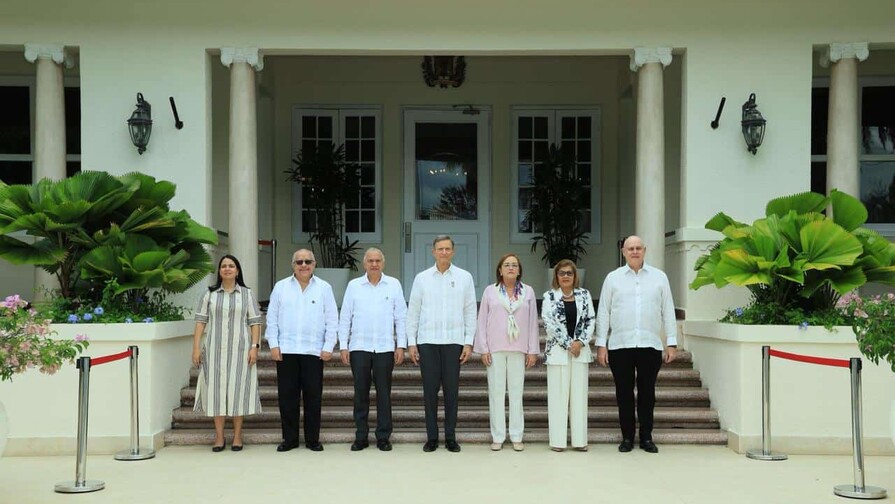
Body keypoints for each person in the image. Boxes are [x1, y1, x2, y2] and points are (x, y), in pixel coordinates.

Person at [596, 235, 677, 454]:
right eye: (630, 248)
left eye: (638, 248)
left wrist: (671, 342)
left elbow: (668, 310)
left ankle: (646, 438)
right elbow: (603, 311)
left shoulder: (659, 278)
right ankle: (627, 438)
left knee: (647, 394)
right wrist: (601, 344)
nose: (634, 251)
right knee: (623, 394)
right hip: (620, 345)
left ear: (645, 250)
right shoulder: (613, 278)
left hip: (650, 345)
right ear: (623, 251)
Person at [406, 235, 476, 453]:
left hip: (454, 342)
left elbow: (470, 311)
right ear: (433, 252)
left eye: (447, 249)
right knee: (429, 392)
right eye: (440, 249)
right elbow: (413, 311)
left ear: (453, 252)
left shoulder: (464, 277)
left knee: (451, 392)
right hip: (428, 341)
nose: (444, 252)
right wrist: (411, 342)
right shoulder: (422, 278)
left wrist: (468, 342)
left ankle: (450, 437)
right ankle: (432, 437)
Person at [265, 249, 338, 452]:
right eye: (299, 262)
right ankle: (290, 439)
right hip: (286, 350)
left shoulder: (324, 288)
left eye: (307, 261)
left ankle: (313, 440)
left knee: (313, 397)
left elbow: (332, 319)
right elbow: (271, 318)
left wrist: (328, 346)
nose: (303, 265)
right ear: (293, 265)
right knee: (287, 397)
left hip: (313, 352)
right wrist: (273, 344)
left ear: (314, 264)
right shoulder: (280, 287)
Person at [192, 254, 263, 452]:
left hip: (241, 351)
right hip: (214, 350)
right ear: (219, 271)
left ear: (237, 271)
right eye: (224, 266)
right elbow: (200, 321)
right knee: (216, 392)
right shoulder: (210, 295)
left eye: (231, 266)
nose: (227, 269)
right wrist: (196, 347)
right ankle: (220, 436)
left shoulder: (246, 294)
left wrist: (254, 347)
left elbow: (255, 322)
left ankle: (238, 436)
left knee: (238, 392)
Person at [338, 248, 407, 452]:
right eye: (370, 260)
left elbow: (400, 317)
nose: (374, 264)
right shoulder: (354, 286)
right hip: (359, 347)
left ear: (383, 263)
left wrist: (400, 345)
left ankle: (383, 436)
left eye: (378, 260)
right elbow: (345, 317)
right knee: (360, 393)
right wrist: (343, 345)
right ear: (364, 263)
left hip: (385, 348)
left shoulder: (393, 285)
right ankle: (361, 436)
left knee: (384, 394)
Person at [474, 253, 539, 452]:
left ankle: (517, 435)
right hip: (495, 349)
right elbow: (482, 321)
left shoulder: (527, 292)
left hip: (519, 348)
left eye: (514, 265)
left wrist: (532, 350)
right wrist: (483, 348)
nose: (510, 268)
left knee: (517, 392)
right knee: (496, 392)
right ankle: (498, 436)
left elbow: (533, 322)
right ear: (500, 270)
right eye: (506, 265)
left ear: (519, 270)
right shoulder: (490, 291)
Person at [542, 259, 595, 452]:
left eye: (569, 273)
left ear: (575, 276)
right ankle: (557, 441)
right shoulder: (549, 296)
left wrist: (580, 342)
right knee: (558, 397)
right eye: (562, 273)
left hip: (580, 352)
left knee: (579, 397)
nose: (566, 276)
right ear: (556, 276)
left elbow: (590, 319)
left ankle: (580, 441)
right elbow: (549, 323)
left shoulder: (584, 295)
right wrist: (568, 344)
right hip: (558, 352)